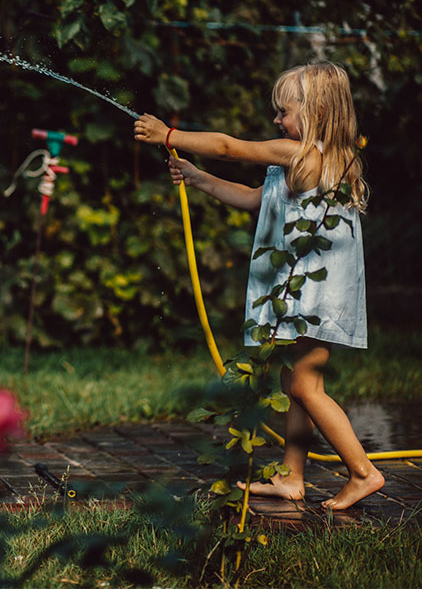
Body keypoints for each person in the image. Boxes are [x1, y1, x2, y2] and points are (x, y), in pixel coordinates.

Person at [133, 62, 384, 511]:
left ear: (316, 113)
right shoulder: (297, 160)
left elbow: (230, 147)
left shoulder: (309, 156)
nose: (276, 121)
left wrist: (168, 135)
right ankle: (291, 476)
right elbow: (253, 198)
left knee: (307, 388)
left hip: (312, 293)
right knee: (296, 382)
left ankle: (364, 472)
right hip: (301, 289)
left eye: (283, 112)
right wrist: (197, 177)